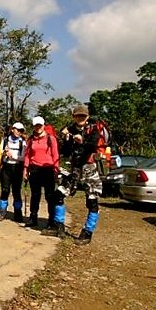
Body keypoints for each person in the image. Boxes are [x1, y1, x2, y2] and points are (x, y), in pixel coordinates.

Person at [59, 104, 104, 245]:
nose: (80, 118)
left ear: (87, 117)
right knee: (58, 195)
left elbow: (93, 146)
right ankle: (58, 226)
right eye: (78, 116)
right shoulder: (70, 129)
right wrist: (66, 138)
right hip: (75, 168)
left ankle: (87, 232)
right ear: (73, 116)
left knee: (92, 201)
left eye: (83, 116)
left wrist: (82, 141)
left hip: (89, 167)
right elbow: (65, 152)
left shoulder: (93, 129)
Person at [23, 116, 60, 233]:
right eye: (36, 125)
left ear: (44, 125)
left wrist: (56, 169)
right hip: (34, 169)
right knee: (35, 195)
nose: (38, 127)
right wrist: (25, 169)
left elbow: (55, 154)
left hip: (48, 169)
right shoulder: (31, 139)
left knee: (50, 196)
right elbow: (28, 155)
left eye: (40, 125)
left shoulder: (51, 138)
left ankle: (51, 221)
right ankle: (33, 217)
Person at [0, 122, 27, 222]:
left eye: (21, 130)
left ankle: (18, 212)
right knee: (5, 190)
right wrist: (4, 153)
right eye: (17, 130)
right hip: (6, 167)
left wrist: (13, 156)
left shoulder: (22, 142)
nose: (19, 132)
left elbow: (23, 157)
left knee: (16, 191)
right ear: (12, 129)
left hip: (17, 168)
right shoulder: (5, 140)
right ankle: (2, 211)